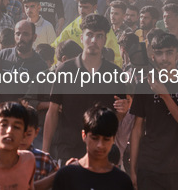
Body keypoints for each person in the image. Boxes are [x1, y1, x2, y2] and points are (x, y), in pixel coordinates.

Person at [43, 14, 126, 165]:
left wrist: (123, 111)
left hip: (102, 152)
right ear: (81, 37)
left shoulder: (115, 73)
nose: (94, 40)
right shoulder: (64, 70)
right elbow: (53, 111)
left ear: (105, 40)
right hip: (68, 150)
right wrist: (44, 153)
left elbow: (116, 117)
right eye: (90, 35)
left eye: (99, 36)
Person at [129, 33, 178, 190]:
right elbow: (137, 130)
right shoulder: (144, 86)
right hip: (149, 166)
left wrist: (166, 96)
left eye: (169, 52)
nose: (164, 58)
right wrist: (132, 169)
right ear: (153, 56)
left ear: (177, 54)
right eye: (159, 53)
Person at [52, 105, 134, 190]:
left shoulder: (122, 181)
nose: (100, 145)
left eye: (106, 139)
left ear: (113, 139)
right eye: (95, 138)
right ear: (84, 135)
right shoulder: (67, 176)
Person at [20, 106, 58, 188]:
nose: (23, 138)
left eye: (28, 134)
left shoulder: (44, 159)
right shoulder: (4, 158)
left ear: (36, 132)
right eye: (19, 132)